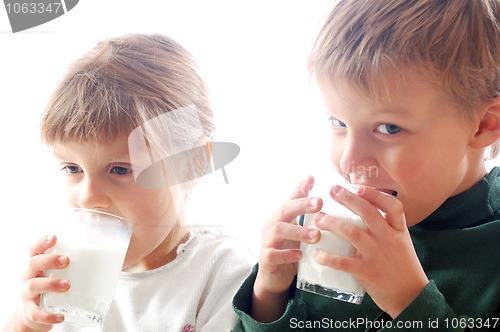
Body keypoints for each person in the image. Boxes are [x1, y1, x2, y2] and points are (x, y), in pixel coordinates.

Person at [233, 0, 500, 330]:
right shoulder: (326, 230)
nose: (348, 160)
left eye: (388, 128)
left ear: (482, 125)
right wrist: (270, 297)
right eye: (338, 122)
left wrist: (410, 301)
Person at [3, 33, 254, 332]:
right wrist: (27, 323)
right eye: (73, 168)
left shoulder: (221, 272)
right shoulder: (66, 275)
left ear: (193, 163)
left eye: (120, 170)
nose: (87, 197)